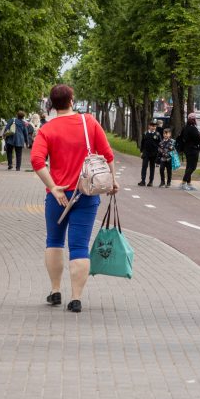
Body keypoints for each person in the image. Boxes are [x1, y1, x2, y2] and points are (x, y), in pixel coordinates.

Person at [30, 84, 118, 313]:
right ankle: (76, 298)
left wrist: (53, 187)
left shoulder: (47, 129)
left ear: (51, 103)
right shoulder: (89, 122)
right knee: (79, 246)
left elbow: (37, 161)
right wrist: (112, 180)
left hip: (57, 197)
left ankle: (55, 290)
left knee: (54, 241)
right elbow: (108, 155)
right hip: (85, 194)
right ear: (71, 100)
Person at [178, 112, 200, 191]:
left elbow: (181, 138)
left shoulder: (185, 128)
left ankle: (188, 183)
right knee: (193, 167)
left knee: (188, 166)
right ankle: (183, 182)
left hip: (187, 149)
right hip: (193, 150)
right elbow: (198, 138)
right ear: (194, 120)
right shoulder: (193, 128)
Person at [138, 121, 160, 187]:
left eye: (155, 126)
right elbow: (142, 143)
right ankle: (143, 180)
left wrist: (158, 153)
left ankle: (151, 182)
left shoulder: (157, 134)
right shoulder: (145, 133)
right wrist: (141, 152)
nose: (153, 127)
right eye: (152, 126)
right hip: (146, 152)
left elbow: (160, 144)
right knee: (144, 166)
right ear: (149, 126)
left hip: (154, 153)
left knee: (152, 167)